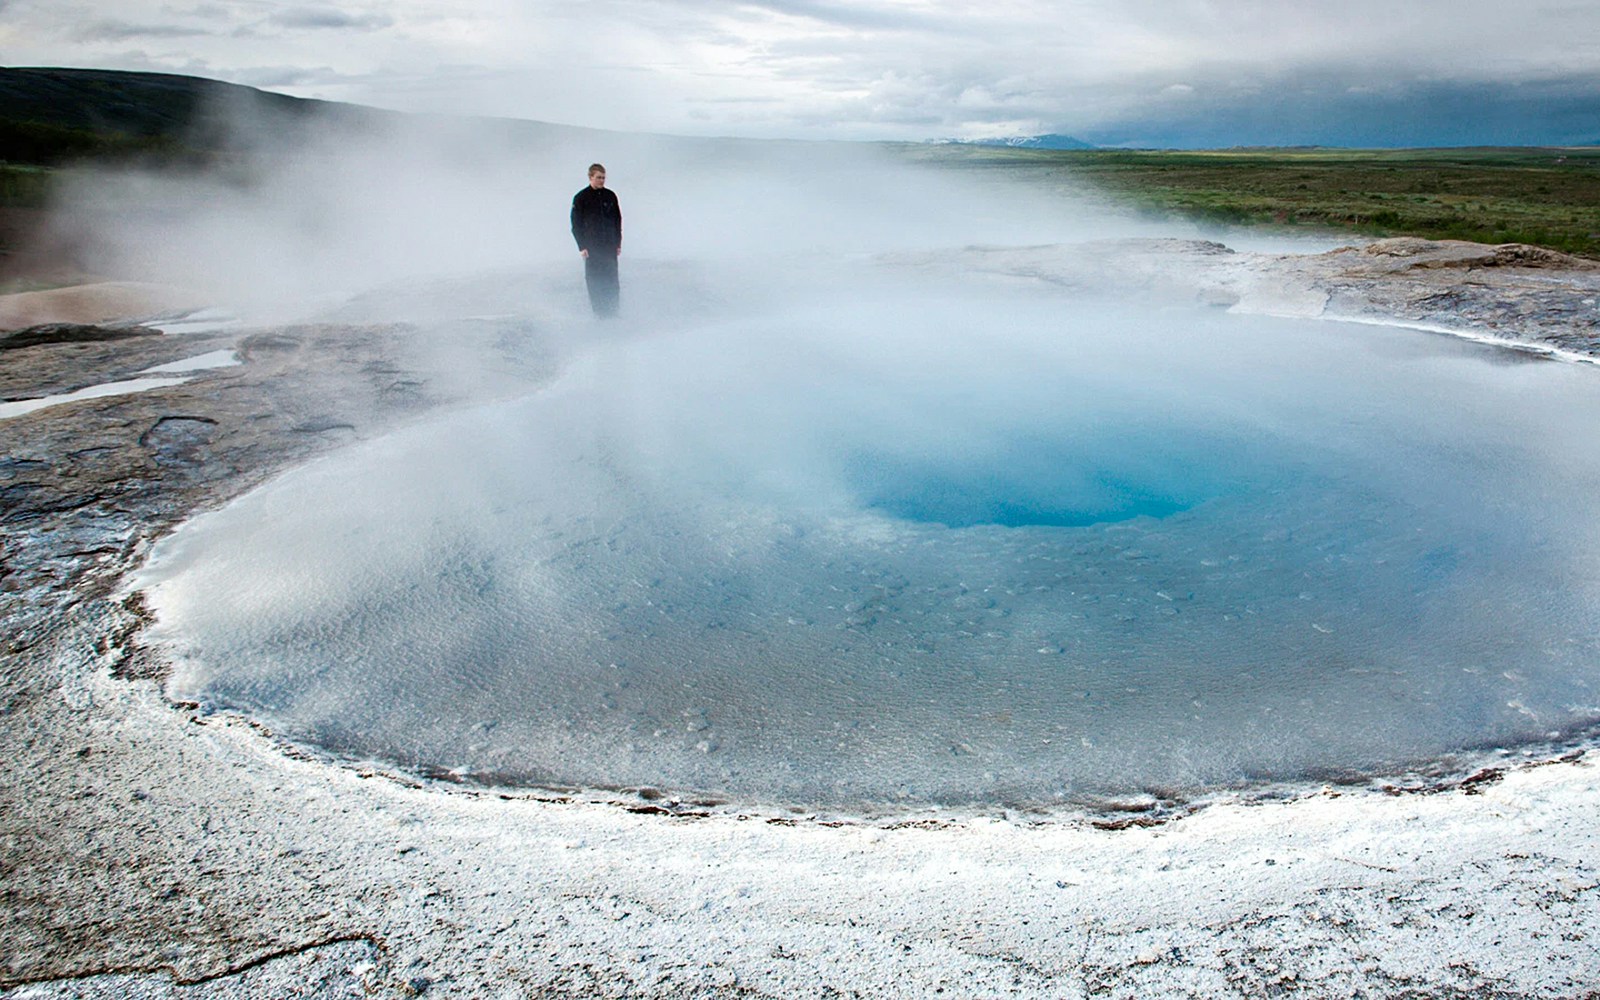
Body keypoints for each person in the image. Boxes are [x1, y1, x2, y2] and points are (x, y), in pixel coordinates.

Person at [570, 163, 622, 316]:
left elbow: (617, 220)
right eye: (598, 177)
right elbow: (576, 224)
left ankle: (613, 310)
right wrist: (582, 246)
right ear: (590, 177)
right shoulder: (581, 198)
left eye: (604, 178)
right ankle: (599, 312)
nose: (601, 180)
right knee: (594, 279)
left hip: (609, 244)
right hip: (591, 246)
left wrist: (618, 242)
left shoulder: (610, 195)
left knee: (612, 277)